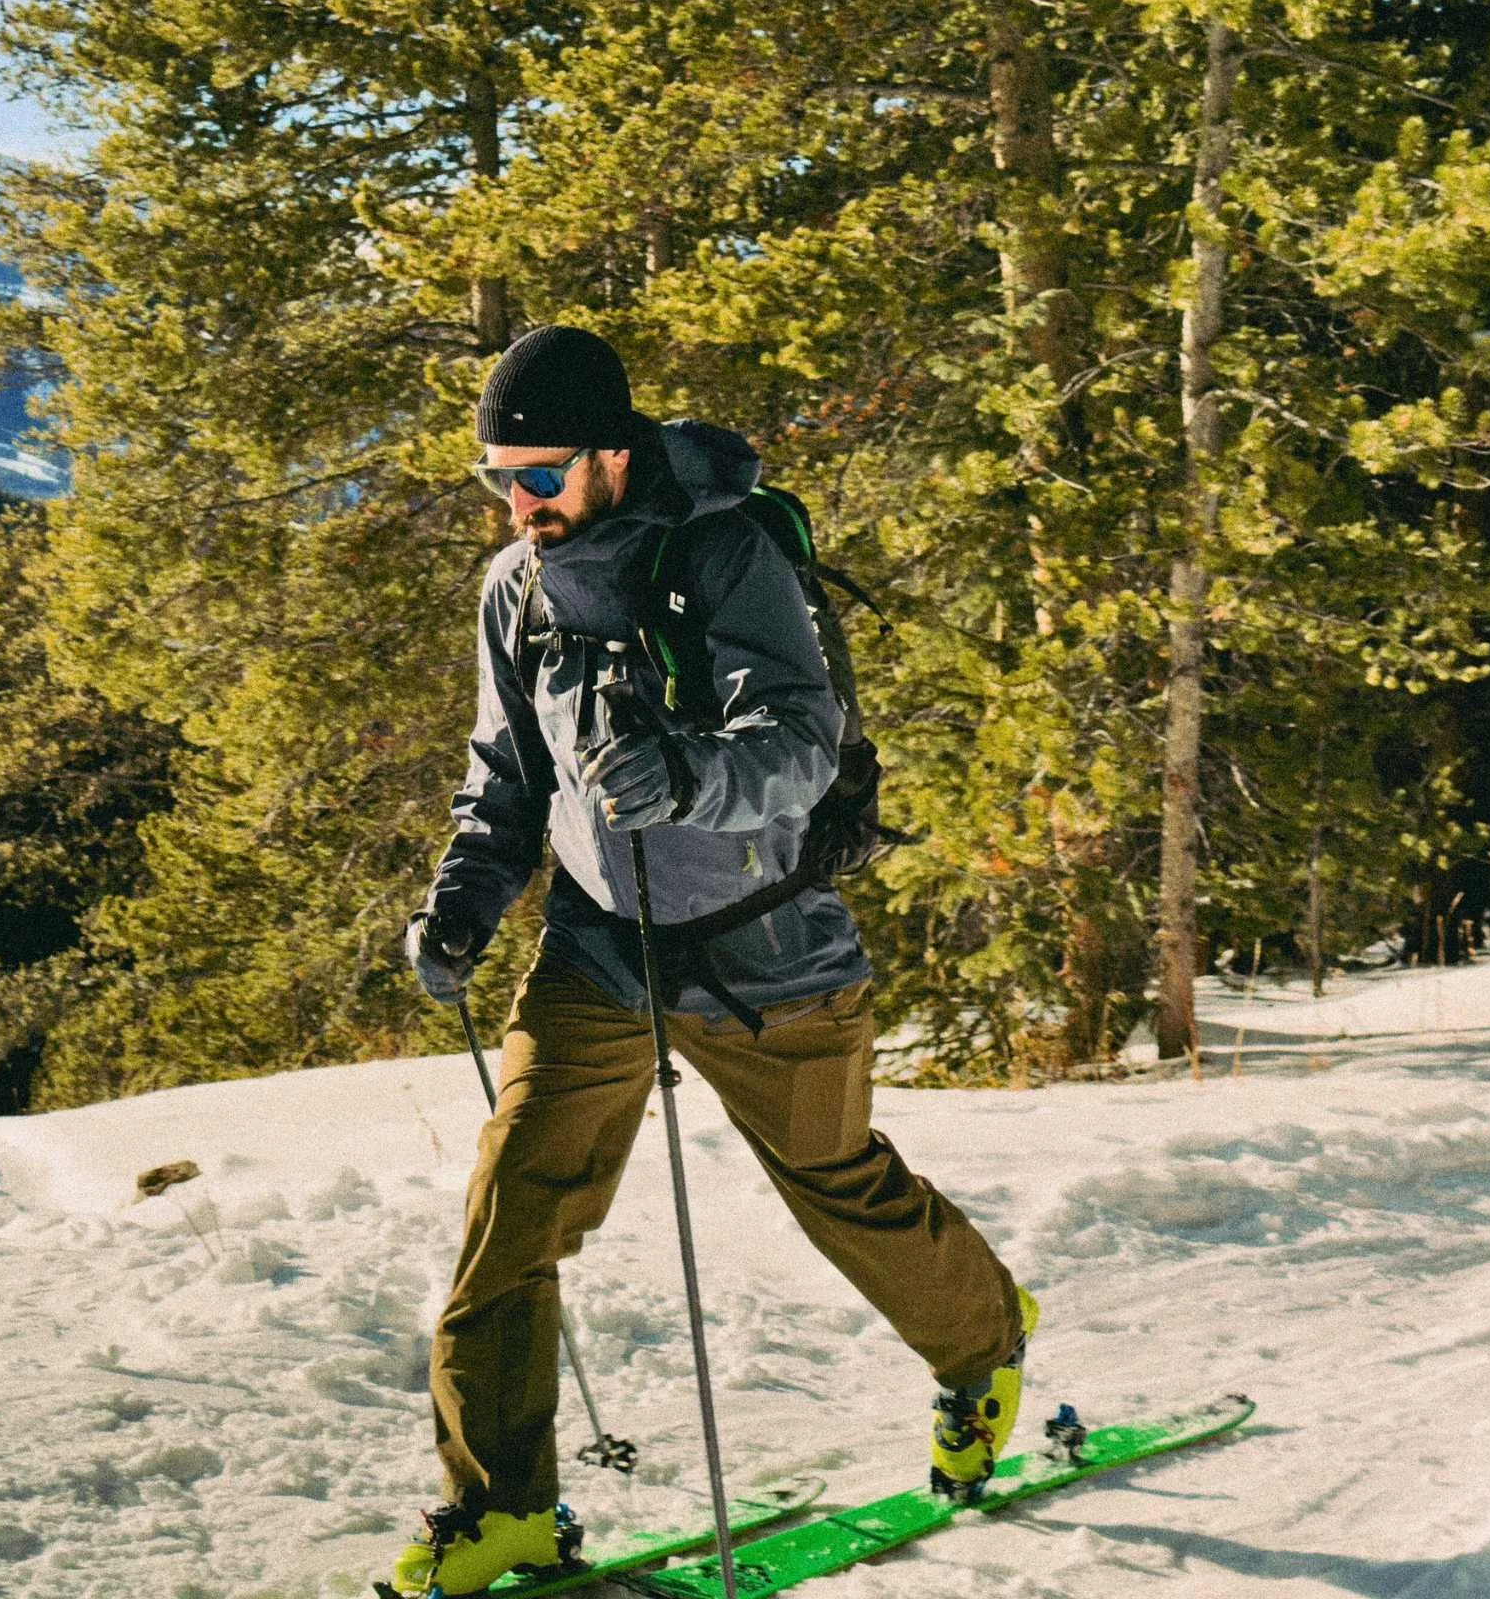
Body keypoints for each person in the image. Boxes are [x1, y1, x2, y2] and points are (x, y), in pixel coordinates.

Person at [388, 326, 1034, 1597]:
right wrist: (462, 904)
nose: (517, 506)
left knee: (838, 1180)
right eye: (495, 480)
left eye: (539, 476)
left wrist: (688, 776)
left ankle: (985, 1345)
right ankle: (504, 1507)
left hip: (765, 945)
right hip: (595, 947)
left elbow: (798, 738)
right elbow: (503, 779)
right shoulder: (512, 591)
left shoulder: (727, 554)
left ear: (612, 460)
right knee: (511, 1213)